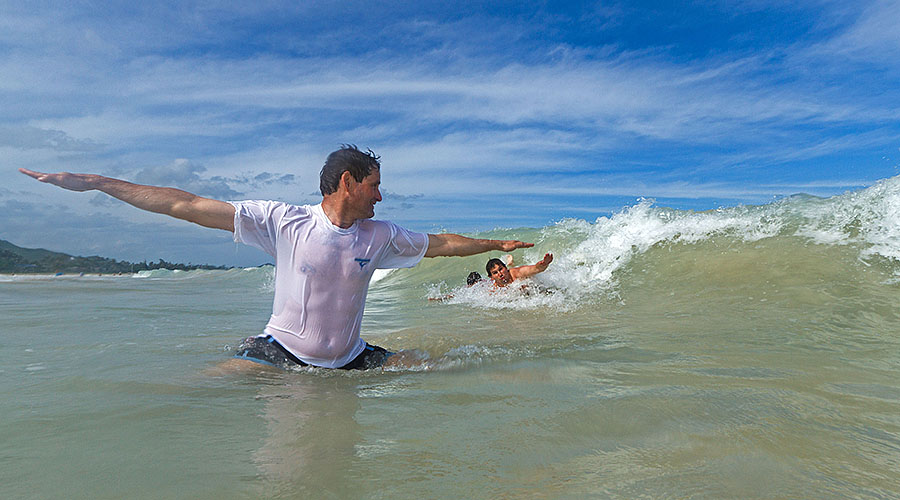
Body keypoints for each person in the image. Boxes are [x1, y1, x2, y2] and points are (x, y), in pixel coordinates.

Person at [19, 145, 533, 370]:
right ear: (348, 182)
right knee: (196, 392)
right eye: (375, 186)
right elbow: (190, 205)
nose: (381, 196)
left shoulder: (381, 234)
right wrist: (98, 184)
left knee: (445, 367)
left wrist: (496, 245)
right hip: (280, 355)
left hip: (353, 361)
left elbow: (441, 242)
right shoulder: (285, 221)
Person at [485, 252, 553, 287]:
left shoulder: (516, 273)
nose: (500, 274)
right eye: (495, 273)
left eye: (500, 269)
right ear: (491, 277)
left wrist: (544, 264)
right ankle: (510, 262)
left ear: (505, 268)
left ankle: (510, 263)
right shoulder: (494, 289)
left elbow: (535, 269)